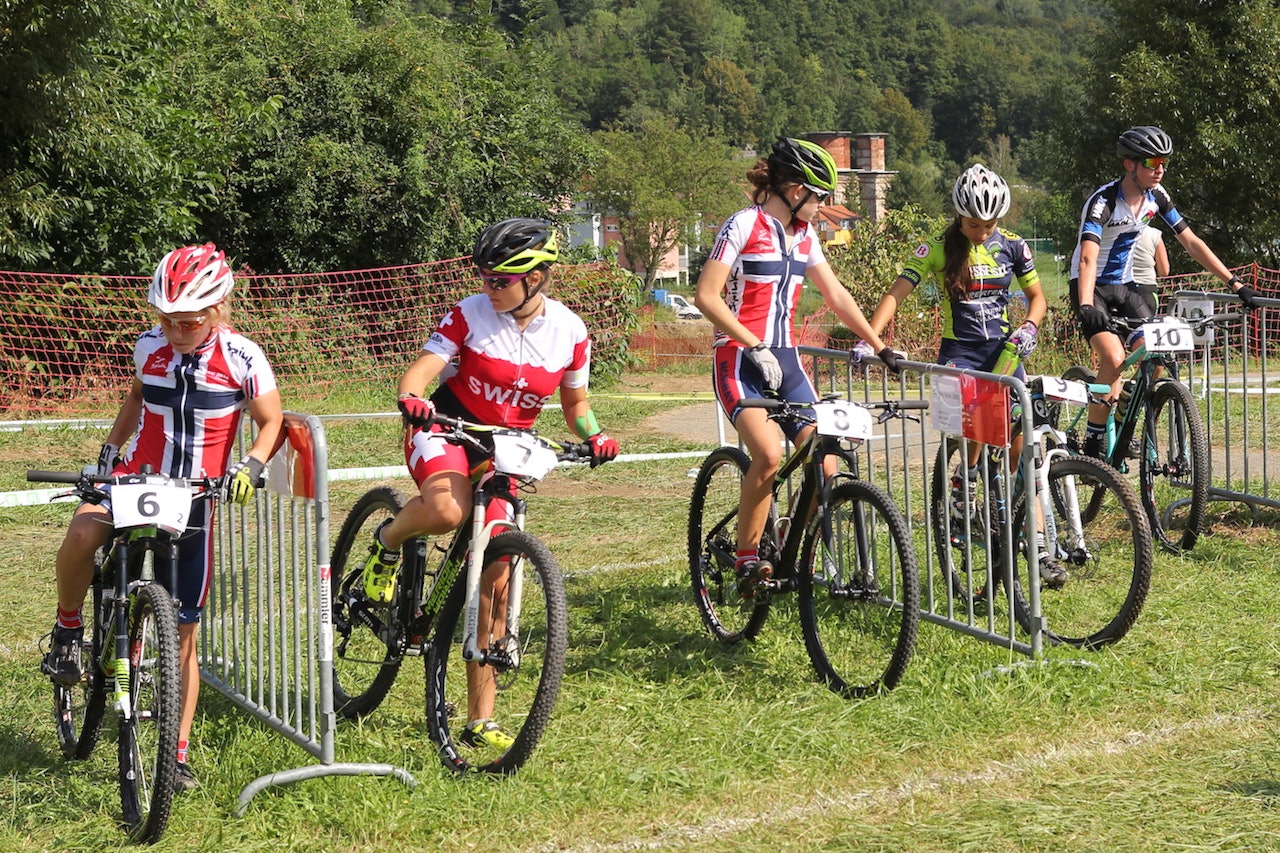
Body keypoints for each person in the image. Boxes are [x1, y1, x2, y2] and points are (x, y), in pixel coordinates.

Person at [359, 217, 619, 751]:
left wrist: (596, 435)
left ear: (539, 277)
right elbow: (421, 371)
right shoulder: (469, 314)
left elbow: (576, 406)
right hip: (447, 430)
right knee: (449, 511)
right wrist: (413, 398)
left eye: (501, 280)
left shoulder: (571, 332)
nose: (489, 287)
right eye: (485, 276)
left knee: (498, 574)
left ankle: (481, 717)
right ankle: (388, 542)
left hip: (507, 448)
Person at [41, 243, 284, 790]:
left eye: (188, 323)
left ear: (218, 309)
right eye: (167, 320)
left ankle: (175, 754)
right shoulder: (148, 346)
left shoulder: (244, 357)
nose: (175, 332)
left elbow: (271, 421)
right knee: (82, 529)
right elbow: (135, 399)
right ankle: (69, 628)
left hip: (196, 494)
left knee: (182, 634)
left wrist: (250, 464)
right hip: (136, 477)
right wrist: (109, 452)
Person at [693, 137, 899, 597]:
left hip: (786, 360)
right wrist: (752, 344)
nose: (822, 204)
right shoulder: (744, 225)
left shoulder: (805, 236)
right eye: (818, 194)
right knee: (767, 454)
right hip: (739, 359)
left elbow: (837, 296)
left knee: (824, 464)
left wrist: (880, 346)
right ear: (792, 188)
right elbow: (706, 296)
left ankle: (784, 540)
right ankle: (747, 560)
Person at [866, 163, 1066, 586]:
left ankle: (1036, 542)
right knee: (974, 420)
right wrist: (871, 338)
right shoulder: (937, 247)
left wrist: (1030, 326)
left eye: (989, 223)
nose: (981, 230)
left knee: (1021, 447)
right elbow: (896, 294)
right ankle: (965, 483)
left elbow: (1037, 299)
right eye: (974, 223)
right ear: (959, 215)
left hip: (1005, 350)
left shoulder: (1013, 247)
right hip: (959, 352)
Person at [1070, 125, 1258, 459]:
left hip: (1125, 287)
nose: (1160, 169)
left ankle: (1125, 413)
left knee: (1157, 353)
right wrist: (1086, 304)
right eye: (1152, 162)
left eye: (1164, 163)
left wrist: (1235, 283)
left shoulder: (1157, 197)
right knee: (1113, 358)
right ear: (1130, 164)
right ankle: (1093, 441)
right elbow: (1087, 256)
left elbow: (1192, 242)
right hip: (1091, 286)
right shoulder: (1104, 201)